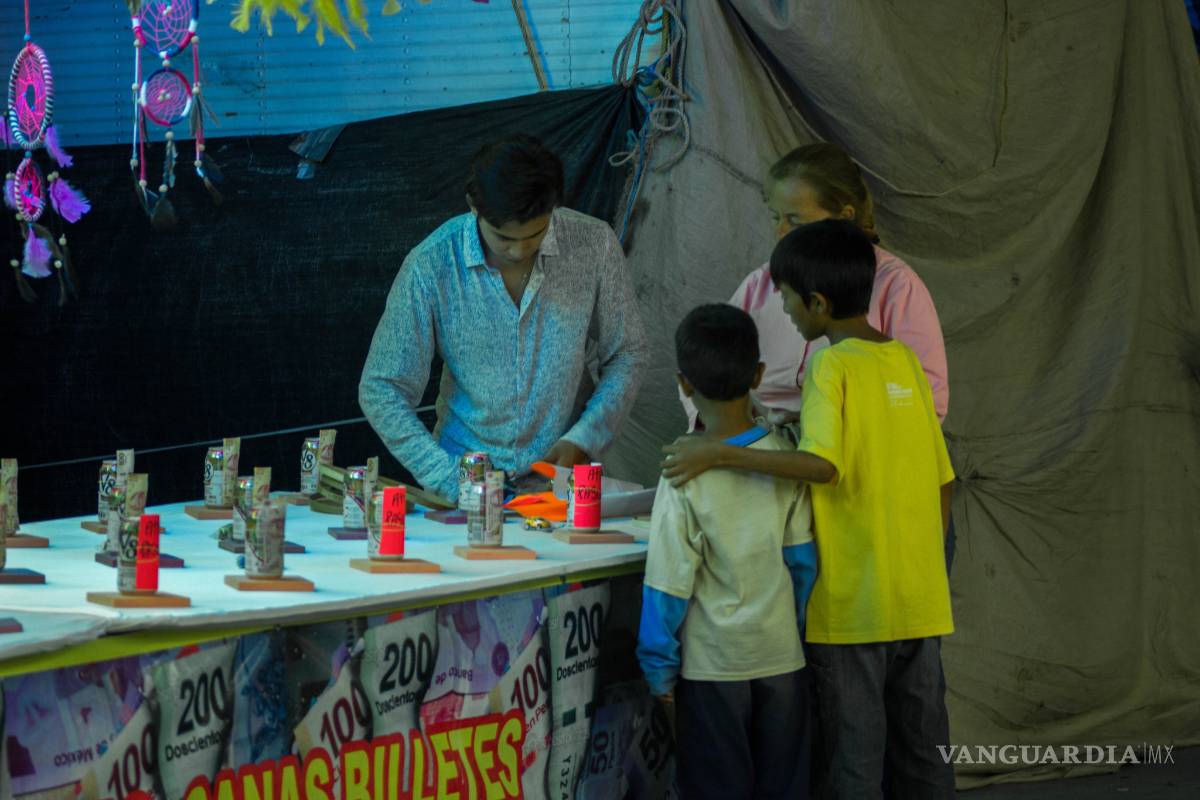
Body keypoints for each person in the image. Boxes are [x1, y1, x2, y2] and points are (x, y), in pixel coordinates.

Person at [662, 221, 956, 799]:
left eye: (789, 300)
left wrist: (718, 453)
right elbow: (944, 481)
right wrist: (925, 567)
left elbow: (823, 465)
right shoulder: (903, 362)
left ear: (817, 303)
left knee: (853, 755)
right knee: (924, 751)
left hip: (851, 608)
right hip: (920, 601)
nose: (787, 314)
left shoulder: (830, 366)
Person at [359, 134, 647, 501]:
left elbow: (627, 353)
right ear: (473, 207)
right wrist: (447, 476)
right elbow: (382, 387)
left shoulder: (593, 245)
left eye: (536, 235)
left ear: (554, 208)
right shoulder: (431, 265)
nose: (519, 249)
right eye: (503, 238)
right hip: (461, 488)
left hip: (562, 491)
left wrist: (585, 438)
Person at [638, 304, 818, 800]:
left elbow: (667, 587)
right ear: (759, 374)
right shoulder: (786, 460)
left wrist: (659, 673)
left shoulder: (682, 472)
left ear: (683, 383)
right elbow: (803, 566)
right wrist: (795, 634)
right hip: (783, 660)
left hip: (712, 669)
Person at [680, 142, 948, 430]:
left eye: (794, 220)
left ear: (844, 218)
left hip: (851, 444)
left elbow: (927, 402)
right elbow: (705, 360)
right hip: (756, 436)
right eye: (775, 217)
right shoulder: (761, 283)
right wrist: (721, 428)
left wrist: (820, 430)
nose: (780, 232)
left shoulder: (896, 285)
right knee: (688, 468)